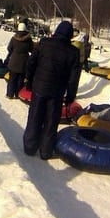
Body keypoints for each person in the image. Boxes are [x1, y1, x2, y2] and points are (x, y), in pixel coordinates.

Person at [23, 21, 81, 160]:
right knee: (51, 121)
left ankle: (30, 148)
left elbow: (31, 63)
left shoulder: (44, 43)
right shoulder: (73, 52)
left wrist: (29, 81)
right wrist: (70, 96)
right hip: (56, 92)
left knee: (35, 117)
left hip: (39, 88)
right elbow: (74, 78)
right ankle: (45, 151)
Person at [5, 22, 33, 99]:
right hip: (24, 62)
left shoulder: (14, 38)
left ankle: (9, 94)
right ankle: (18, 94)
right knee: (20, 80)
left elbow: (9, 48)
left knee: (12, 79)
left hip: (14, 61)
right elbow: (32, 49)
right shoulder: (28, 39)